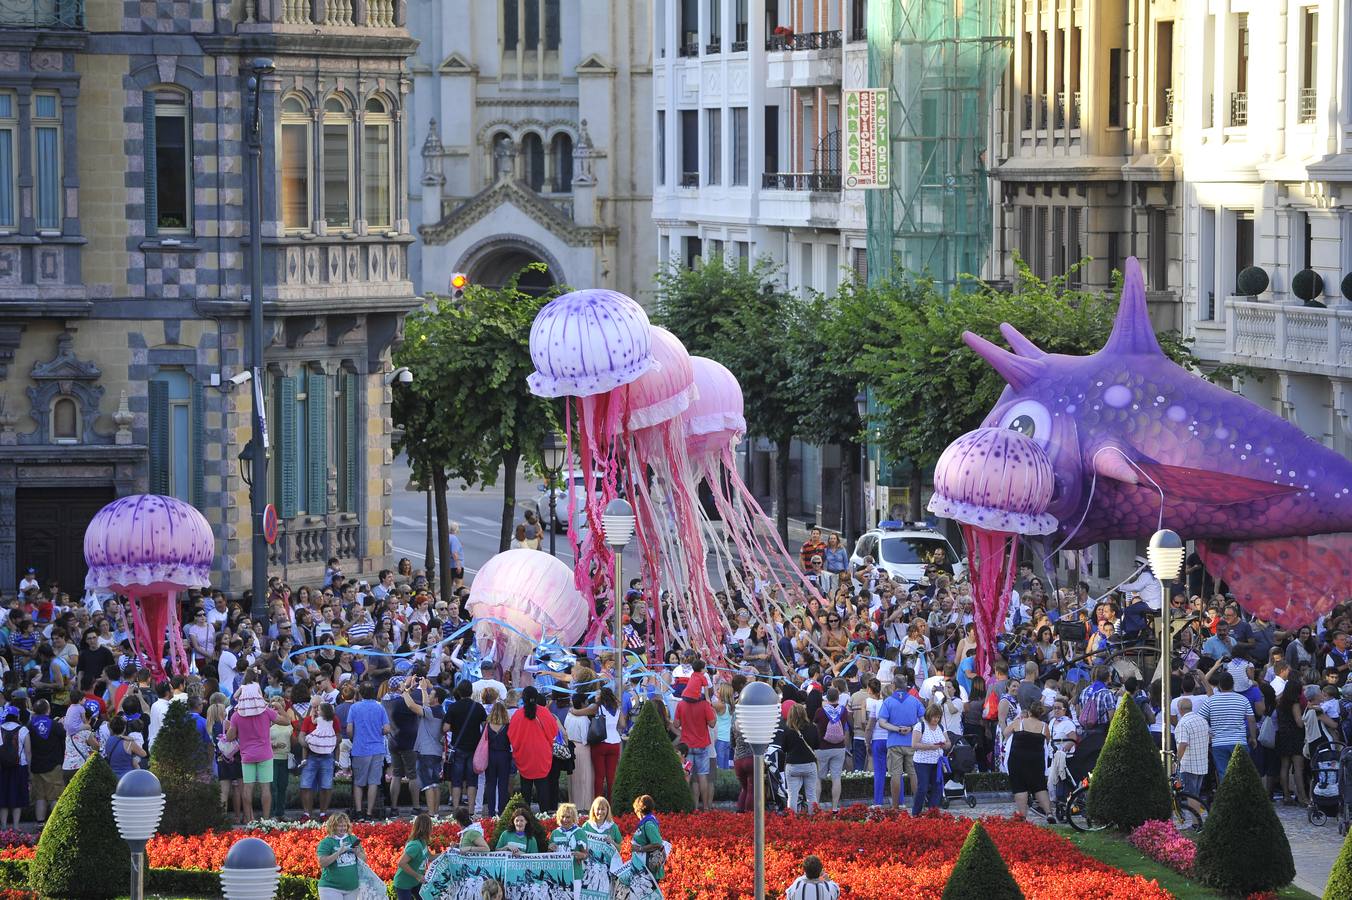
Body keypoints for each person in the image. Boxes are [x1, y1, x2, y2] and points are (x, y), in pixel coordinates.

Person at [228, 685, 289, 822]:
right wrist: (280, 708)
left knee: (247, 787)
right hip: (265, 754)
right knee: (265, 788)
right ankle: (266, 819)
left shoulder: (236, 715)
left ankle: (249, 819)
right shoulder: (266, 712)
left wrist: (229, 727)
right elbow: (286, 721)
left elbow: (230, 737)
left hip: (247, 755)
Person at [507, 686, 559, 812]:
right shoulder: (545, 712)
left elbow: (511, 735)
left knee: (525, 786)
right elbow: (554, 731)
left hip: (524, 753)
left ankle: (525, 815)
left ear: (523, 699)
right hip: (542, 753)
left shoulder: (517, 715)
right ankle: (545, 815)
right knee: (543, 786)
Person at [877, 672, 924, 808]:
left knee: (895, 774)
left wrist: (897, 729)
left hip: (894, 742)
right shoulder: (915, 701)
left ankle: (895, 806)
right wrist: (910, 728)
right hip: (911, 742)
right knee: (914, 773)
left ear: (893, 685)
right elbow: (922, 721)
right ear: (906, 685)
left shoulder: (888, 702)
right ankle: (917, 805)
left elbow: (882, 722)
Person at [1002, 700, 1052, 821]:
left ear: (1029, 712)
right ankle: (1049, 813)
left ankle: (1023, 815)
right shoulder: (1044, 726)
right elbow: (1047, 741)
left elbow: (1005, 732)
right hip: (1036, 759)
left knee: (1020, 786)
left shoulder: (1019, 723)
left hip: (1017, 758)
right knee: (1040, 786)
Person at [347, 682, 391, 819]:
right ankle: (369, 813)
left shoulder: (354, 707)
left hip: (360, 748)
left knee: (359, 782)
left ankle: (359, 811)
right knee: (374, 782)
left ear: (360, 693)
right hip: (377, 749)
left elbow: (349, 730)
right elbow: (387, 729)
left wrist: (355, 738)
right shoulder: (380, 707)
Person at [1203, 670, 1256, 781]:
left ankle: (1226, 797)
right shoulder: (1243, 700)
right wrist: (1253, 737)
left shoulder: (1211, 701)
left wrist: (1210, 733)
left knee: (1223, 774)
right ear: (1233, 684)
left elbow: (1200, 718)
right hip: (1239, 741)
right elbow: (1251, 720)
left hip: (1218, 743)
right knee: (1241, 773)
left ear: (1219, 686)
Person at [673, 683, 716, 811]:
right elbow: (712, 724)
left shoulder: (681, 704)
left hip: (686, 747)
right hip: (702, 745)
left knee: (688, 776)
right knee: (703, 776)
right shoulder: (704, 705)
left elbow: (676, 724)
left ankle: (691, 807)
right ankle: (706, 807)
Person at [618, 794, 665, 899]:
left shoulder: (648, 824)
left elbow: (657, 843)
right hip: (642, 868)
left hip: (648, 869)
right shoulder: (646, 822)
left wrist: (639, 848)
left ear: (638, 809)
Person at [27, 699, 64, 822]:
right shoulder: (55, 725)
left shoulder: (30, 725)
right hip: (53, 766)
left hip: (36, 766)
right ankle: (55, 824)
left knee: (40, 798)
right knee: (55, 797)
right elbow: (64, 738)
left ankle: (40, 825)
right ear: (48, 710)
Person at [813, 687, 850, 810]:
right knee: (836, 778)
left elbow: (814, 725)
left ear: (826, 698)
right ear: (838, 697)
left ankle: (816, 807)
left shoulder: (820, 711)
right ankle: (834, 808)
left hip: (822, 748)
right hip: (839, 747)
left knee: (818, 778)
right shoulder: (843, 711)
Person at [300, 702, 338, 819]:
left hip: (327, 756)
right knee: (305, 785)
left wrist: (329, 743)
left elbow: (338, 735)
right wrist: (306, 743)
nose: (316, 710)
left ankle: (323, 813)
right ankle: (307, 813)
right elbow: (302, 736)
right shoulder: (308, 720)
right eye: (313, 707)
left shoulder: (333, 719)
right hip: (311, 756)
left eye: (318, 707)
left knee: (326, 785)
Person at [780, 703, 820, 814]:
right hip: (809, 764)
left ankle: (792, 820)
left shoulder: (787, 729)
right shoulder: (812, 727)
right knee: (811, 794)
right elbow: (817, 745)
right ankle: (814, 818)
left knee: (792, 795)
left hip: (792, 765)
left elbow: (784, 749)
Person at [910, 704, 950, 816]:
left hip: (937, 762)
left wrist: (943, 745)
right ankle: (916, 812)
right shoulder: (920, 726)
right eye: (934, 717)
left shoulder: (941, 727)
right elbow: (914, 744)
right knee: (922, 787)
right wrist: (930, 746)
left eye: (938, 717)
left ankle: (932, 812)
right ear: (929, 716)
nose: (936, 719)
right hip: (922, 761)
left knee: (937, 787)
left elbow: (948, 743)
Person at [316, 813, 365, 900]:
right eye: (339, 826)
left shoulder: (353, 839)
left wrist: (357, 853)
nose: (343, 828)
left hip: (352, 888)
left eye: (344, 825)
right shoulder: (326, 842)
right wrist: (339, 852)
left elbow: (364, 860)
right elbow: (322, 863)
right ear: (333, 826)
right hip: (331, 888)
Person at [580, 796, 622, 897]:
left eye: (603, 809)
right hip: (588, 869)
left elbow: (619, 848)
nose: (600, 812)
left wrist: (612, 842)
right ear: (593, 810)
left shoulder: (612, 827)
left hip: (607, 871)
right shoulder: (586, 826)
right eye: (598, 809)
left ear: (607, 810)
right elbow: (580, 846)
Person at [590, 687, 622, 803]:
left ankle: (597, 803)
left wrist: (573, 711)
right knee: (611, 776)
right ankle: (612, 803)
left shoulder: (597, 707)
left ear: (601, 696)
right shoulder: (617, 707)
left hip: (601, 742)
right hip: (615, 743)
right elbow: (622, 724)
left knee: (599, 776)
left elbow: (581, 712)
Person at [0, 705, 30, 827]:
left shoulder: (0, 729)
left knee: (2, 796)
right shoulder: (23, 730)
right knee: (18, 797)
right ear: (17, 716)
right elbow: (28, 752)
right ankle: (16, 826)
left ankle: (3, 826)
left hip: (2, 767)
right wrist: (29, 769)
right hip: (20, 767)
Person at [482, 701, 513, 815]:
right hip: (504, 755)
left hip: (490, 755)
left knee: (490, 783)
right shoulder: (507, 725)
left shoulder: (487, 725)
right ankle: (501, 810)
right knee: (503, 784)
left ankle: (491, 811)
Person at [393, 813, 432, 900]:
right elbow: (401, 863)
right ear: (427, 828)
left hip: (415, 882)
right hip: (404, 883)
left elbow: (429, 857)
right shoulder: (415, 845)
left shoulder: (423, 842)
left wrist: (447, 853)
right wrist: (417, 876)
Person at [550, 802, 586, 887]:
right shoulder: (555, 833)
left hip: (575, 874)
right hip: (558, 874)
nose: (565, 820)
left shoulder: (580, 832)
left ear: (573, 818)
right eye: (562, 816)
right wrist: (550, 849)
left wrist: (581, 855)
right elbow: (550, 854)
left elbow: (586, 854)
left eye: (568, 817)